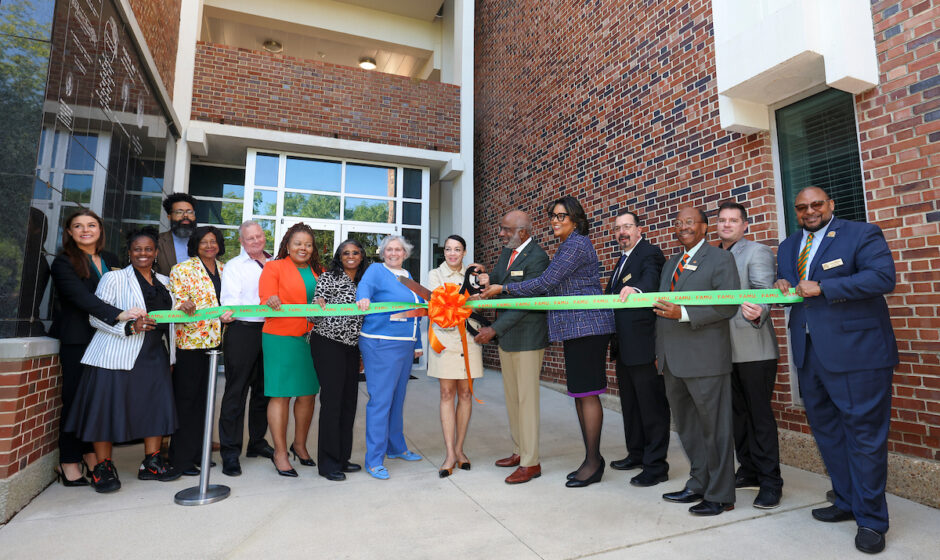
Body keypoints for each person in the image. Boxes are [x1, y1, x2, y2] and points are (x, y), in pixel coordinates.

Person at [774, 186, 898, 554]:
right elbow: (791, 288)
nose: (809, 211)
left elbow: (882, 279)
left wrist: (824, 287)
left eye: (816, 205)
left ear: (830, 205)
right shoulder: (787, 246)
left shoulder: (862, 233)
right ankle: (846, 500)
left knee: (864, 437)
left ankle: (872, 521)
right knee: (828, 434)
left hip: (859, 356)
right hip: (810, 355)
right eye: (802, 208)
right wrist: (781, 285)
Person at [482, 196, 615, 488]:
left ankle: (594, 462)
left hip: (587, 327)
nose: (555, 221)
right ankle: (591, 460)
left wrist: (502, 288)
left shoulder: (577, 245)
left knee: (588, 394)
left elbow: (544, 284)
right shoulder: (568, 245)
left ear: (576, 220)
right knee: (581, 394)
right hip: (575, 328)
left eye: (561, 216)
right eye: (553, 216)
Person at [65, 228, 180, 493]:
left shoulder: (165, 281)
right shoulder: (114, 278)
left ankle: (151, 463)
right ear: (129, 252)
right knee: (106, 411)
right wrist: (128, 327)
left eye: (148, 249)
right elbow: (96, 316)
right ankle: (103, 467)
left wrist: (181, 310)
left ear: (155, 252)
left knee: (155, 407)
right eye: (137, 249)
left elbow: (170, 317)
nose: (143, 253)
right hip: (115, 353)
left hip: (155, 354)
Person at [656, 207, 740, 516]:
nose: (682, 227)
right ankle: (699, 482)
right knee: (689, 429)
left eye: (689, 222)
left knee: (714, 430)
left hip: (705, 361)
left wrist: (685, 313)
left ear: (705, 228)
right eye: (678, 223)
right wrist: (659, 353)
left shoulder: (720, 259)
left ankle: (721, 495)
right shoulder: (671, 264)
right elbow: (660, 311)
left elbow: (728, 305)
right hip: (673, 361)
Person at [49, 210, 144, 486]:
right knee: (76, 399)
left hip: (107, 340)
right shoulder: (63, 263)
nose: (85, 230)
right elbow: (83, 299)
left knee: (97, 402)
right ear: (69, 232)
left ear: (100, 230)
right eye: (78, 226)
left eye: (91, 225)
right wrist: (120, 313)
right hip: (78, 340)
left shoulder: (111, 260)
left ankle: (92, 456)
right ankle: (68, 461)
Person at [716, 201, 783, 509]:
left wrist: (759, 312)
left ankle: (771, 482)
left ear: (745, 225)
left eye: (733, 220)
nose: (727, 225)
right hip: (720, 350)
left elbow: (763, 291)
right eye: (722, 220)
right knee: (737, 416)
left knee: (759, 418)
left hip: (754, 346)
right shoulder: (713, 255)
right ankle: (750, 469)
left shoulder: (756, 252)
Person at [474, 210, 549, 485]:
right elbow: (497, 280)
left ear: (524, 233)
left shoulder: (538, 258)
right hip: (509, 339)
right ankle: (520, 451)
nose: (501, 233)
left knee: (527, 402)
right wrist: (484, 277)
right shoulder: (509, 252)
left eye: (506, 229)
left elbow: (526, 301)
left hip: (527, 339)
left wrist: (494, 329)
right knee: (513, 400)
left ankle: (531, 463)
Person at [606, 210, 670, 487]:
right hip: (624, 347)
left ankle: (656, 466)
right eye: (618, 228)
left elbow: (651, 279)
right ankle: (637, 454)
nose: (623, 232)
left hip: (644, 346)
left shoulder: (649, 253)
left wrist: (636, 289)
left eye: (627, 226)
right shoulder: (621, 260)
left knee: (651, 407)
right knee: (631, 406)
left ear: (639, 230)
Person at [356, 235, 424, 480]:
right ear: (383, 252)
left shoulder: (408, 276)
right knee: (381, 401)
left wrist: (417, 343)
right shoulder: (376, 270)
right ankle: (374, 460)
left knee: (397, 399)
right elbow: (364, 287)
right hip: (381, 343)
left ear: (405, 254)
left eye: (398, 250)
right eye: (389, 249)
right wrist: (362, 298)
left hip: (405, 345)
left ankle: (396, 447)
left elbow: (415, 311)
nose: (394, 253)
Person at [259, 223, 322, 477]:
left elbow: (324, 299)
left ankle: (300, 445)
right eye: (298, 243)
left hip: (310, 339)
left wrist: (322, 302)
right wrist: (271, 300)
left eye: (308, 244)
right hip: (280, 338)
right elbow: (265, 298)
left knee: (308, 394)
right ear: (287, 245)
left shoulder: (319, 271)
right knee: (281, 395)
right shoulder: (273, 267)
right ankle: (280, 452)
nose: (303, 248)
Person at [168, 226, 232, 476]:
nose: (209, 246)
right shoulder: (182, 269)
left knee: (205, 400)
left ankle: (198, 453)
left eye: (213, 241)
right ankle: (181, 459)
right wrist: (181, 304)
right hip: (191, 343)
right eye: (204, 242)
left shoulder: (226, 269)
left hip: (216, 342)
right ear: (195, 245)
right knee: (187, 401)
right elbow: (174, 299)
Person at [218, 221, 275, 477]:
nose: (255, 241)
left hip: (272, 332)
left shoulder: (275, 262)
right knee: (236, 393)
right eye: (249, 238)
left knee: (264, 392)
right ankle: (230, 452)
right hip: (243, 331)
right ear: (241, 241)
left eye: (258, 236)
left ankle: (257, 442)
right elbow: (230, 302)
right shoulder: (234, 266)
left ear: (264, 237)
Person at [310, 239, 369, 481]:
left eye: (355, 252)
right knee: (332, 402)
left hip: (353, 346)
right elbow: (315, 311)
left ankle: (342, 458)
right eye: (346, 253)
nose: (351, 256)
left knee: (348, 403)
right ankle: (328, 464)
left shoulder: (366, 280)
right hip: (328, 342)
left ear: (362, 255)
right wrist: (317, 306)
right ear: (339, 256)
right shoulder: (328, 277)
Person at [427, 235, 484, 478]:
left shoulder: (474, 275)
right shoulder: (434, 275)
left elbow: (480, 303)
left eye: (457, 249)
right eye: (448, 249)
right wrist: (465, 300)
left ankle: (460, 450)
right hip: (445, 339)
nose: (452, 254)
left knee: (465, 393)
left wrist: (475, 294)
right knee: (446, 393)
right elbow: (439, 308)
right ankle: (449, 453)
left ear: (464, 251)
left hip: (470, 339)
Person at [155, 192, 197, 275]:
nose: (185, 216)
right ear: (169, 216)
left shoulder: (205, 242)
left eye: (189, 212)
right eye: (179, 212)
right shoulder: (157, 242)